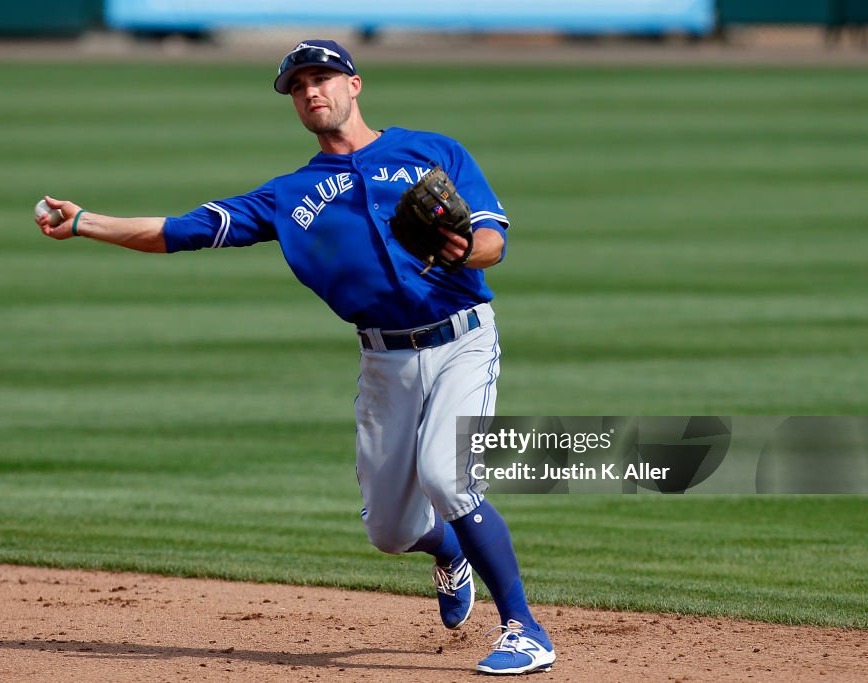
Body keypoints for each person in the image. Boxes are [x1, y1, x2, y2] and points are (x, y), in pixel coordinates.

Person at [36, 39, 556, 675]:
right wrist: (87, 221)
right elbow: (179, 231)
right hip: (384, 363)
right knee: (390, 533)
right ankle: (449, 549)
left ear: (354, 84)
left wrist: (462, 251)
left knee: (448, 477)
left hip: (462, 341)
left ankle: (525, 631)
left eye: (323, 78)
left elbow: (491, 240)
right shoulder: (289, 196)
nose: (312, 92)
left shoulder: (430, 150)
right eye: (299, 86)